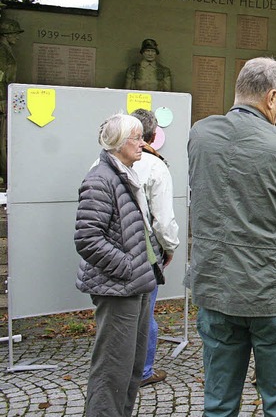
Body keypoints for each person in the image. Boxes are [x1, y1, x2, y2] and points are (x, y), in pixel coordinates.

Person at [187, 56, 276, 416]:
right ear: (270, 97)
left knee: (218, 403)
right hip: (273, 293)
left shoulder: (200, 134)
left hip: (217, 288)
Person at [75, 114, 163, 416]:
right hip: (117, 288)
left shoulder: (124, 173)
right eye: (136, 138)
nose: (143, 143)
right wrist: (128, 267)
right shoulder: (101, 179)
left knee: (131, 368)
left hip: (133, 286)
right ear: (117, 143)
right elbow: (87, 239)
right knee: (112, 369)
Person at [129, 109, 180, 388]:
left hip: (114, 250)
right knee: (145, 312)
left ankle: (120, 366)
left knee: (120, 311)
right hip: (146, 250)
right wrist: (169, 247)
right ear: (153, 135)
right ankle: (144, 371)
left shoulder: (102, 162)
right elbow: (162, 219)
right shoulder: (156, 166)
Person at [0, 17, 24, 184]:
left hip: (5, 99)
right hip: (1, 100)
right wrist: (1, 98)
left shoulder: (6, 50)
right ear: (7, 34)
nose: (17, 37)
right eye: (15, 33)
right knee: (2, 140)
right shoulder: (2, 51)